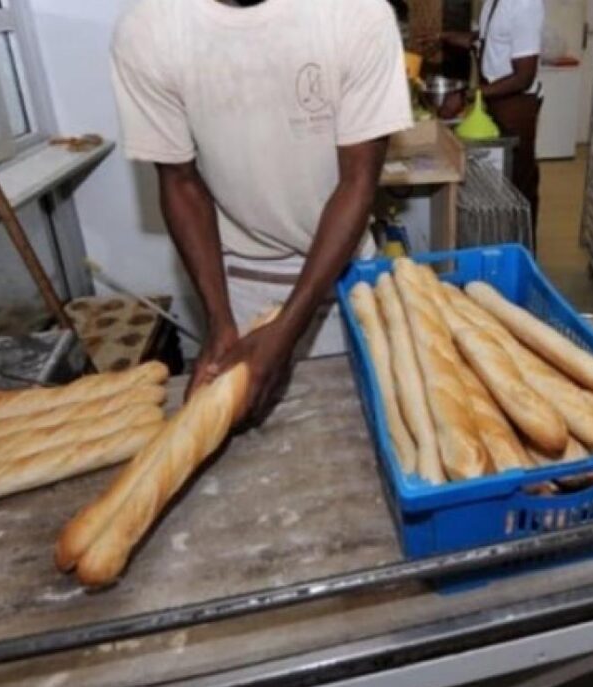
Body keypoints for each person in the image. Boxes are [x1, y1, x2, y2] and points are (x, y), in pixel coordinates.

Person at [111, 0, 413, 422]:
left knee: (352, 430)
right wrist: (219, 320)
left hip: (341, 276)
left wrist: (288, 330)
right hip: (236, 283)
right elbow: (179, 181)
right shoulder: (151, 30)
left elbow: (357, 182)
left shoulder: (356, 13)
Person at [440, 0, 544, 224]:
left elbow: (524, 77)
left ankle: (523, 250)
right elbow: (487, 38)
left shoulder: (526, 5)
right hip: (494, 97)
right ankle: (500, 238)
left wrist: (469, 95)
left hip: (517, 104)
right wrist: (446, 37)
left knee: (519, 185)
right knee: (500, 181)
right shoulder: (492, 2)